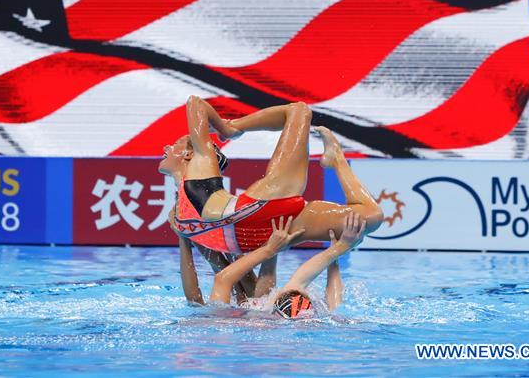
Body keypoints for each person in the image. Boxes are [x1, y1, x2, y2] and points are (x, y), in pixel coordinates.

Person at [160, 96, 383, 293]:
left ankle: (335, 159)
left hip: (258, 210)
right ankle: (336, 159)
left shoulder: (200, 165)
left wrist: (223, 130)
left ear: (190, 154)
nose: (166, 148)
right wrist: (224, 128)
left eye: (175, 144)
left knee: (299, 111)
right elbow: (213, 283)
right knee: (371, 217)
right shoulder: (182, 219)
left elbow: (195, 103)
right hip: (263, 229)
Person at [177, 212, 366, 318]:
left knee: (200, 302)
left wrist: (270, 249)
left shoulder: (232, 318)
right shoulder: (316, 318)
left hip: (230, 318)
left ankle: (186, 229)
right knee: (239, 279)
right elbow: (329, 297)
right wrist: (338, 249)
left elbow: (222, 279)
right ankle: (188, 230)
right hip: (252, 316)